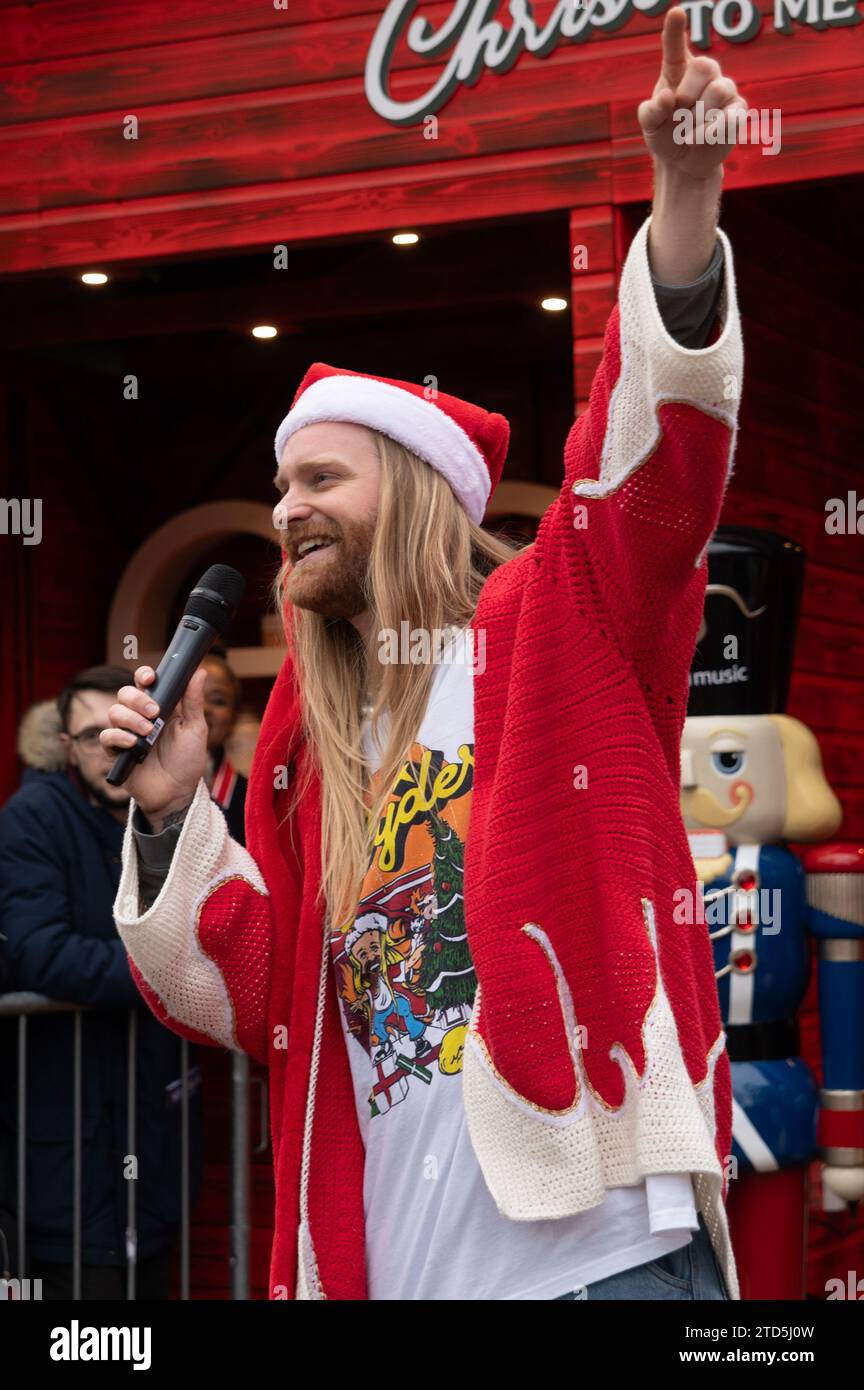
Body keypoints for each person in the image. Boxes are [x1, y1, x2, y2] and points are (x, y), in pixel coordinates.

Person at [106, 10, 744, 1300]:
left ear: (404, 492)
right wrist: (175, 811)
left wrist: (681, 196)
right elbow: (249, 998)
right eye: (278, 483)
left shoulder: (562, 617)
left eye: (318, 477)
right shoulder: (299, 743)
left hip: (595, 1262)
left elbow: (652, 463)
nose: (284, 508)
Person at [0, 667, 204, 1299]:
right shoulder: (35, 816)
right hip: (62, 1126)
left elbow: (225, 924)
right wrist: (171, 974)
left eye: (127, 733)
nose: (112, 749)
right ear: (65, 745)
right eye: (93, 736)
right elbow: (37, 951)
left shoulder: (183, 812)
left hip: (155, 1123)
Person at [200, 650, 248, 846]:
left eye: (218, 700)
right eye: (190, 695)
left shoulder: (251, 800)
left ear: (234, 719)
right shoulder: (144, 790)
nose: (203, 708)